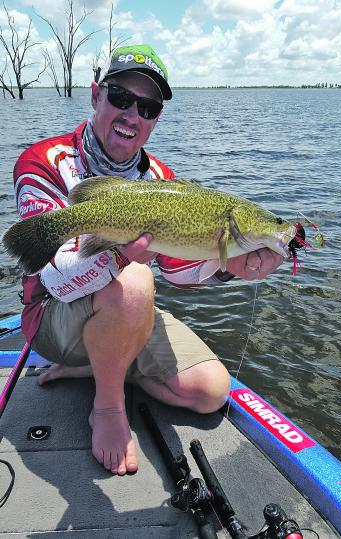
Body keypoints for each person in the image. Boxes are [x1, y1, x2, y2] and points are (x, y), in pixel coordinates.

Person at [13, 44, 283, 476]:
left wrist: (228, 265)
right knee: (136, 279)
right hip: (51, 317)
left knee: (211, 392)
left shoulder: (160, 178)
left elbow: (179, 270)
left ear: (156, 116)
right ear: (95, 95)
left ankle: (98, 366)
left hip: (121, 312)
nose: (132, 114)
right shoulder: (42, 162)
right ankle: (107, 406)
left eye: (148, 106)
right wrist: (120, 256)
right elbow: (53, 279)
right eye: (121, 97)